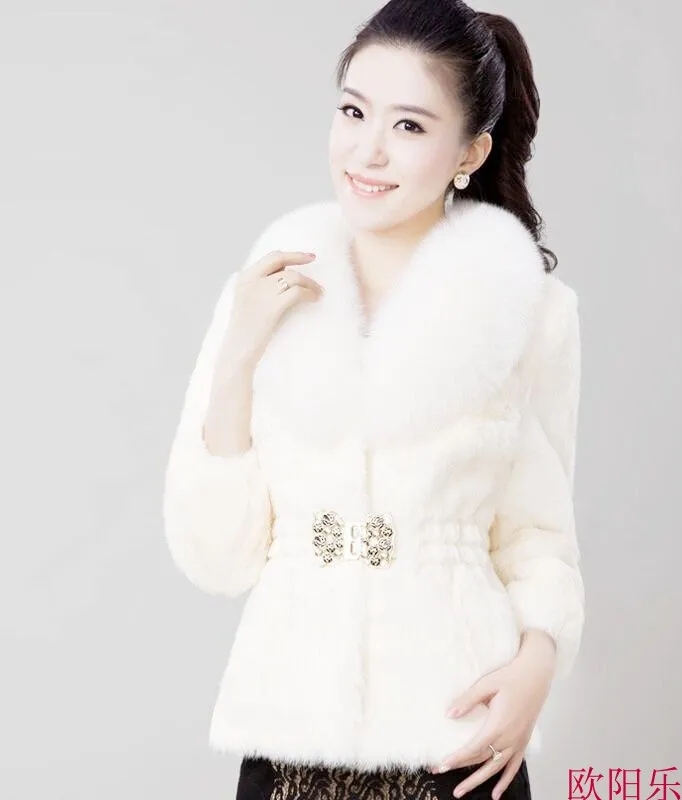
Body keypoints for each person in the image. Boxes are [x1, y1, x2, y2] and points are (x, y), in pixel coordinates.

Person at [162, 0, 585, 798]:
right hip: (290, 733)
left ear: (471, 151)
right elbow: (217, 556)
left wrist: (538, 665)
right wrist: (237, 356)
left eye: (410, 126)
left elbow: (539, 537)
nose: (368, 150)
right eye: (353, 111)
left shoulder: (529, 313)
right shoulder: (262, 296)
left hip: (457, 734)